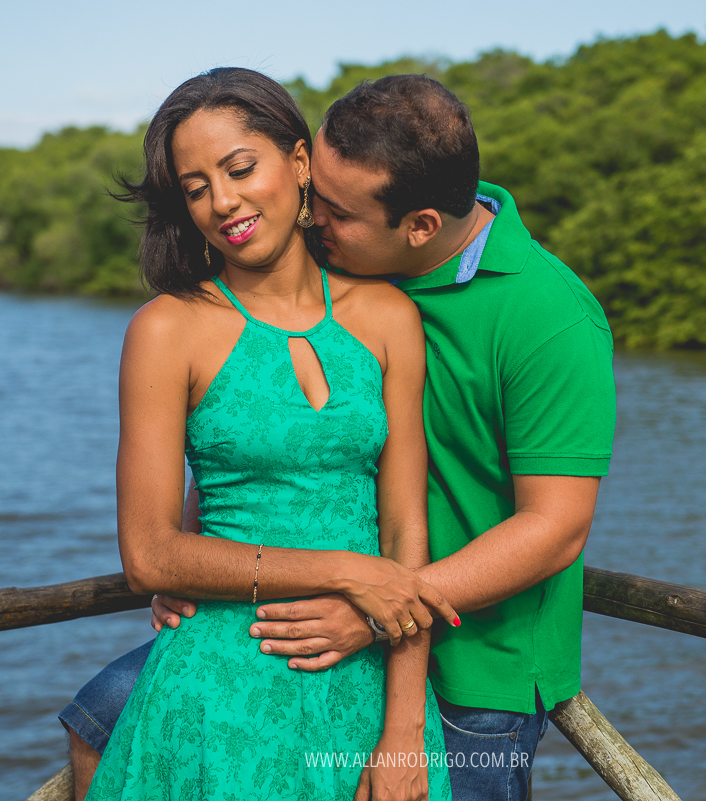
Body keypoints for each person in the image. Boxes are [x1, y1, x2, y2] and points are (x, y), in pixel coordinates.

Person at [61, 73, 617, 801]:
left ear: (418, 226)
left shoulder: (546, 316)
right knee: (100, 715)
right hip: (286, 624)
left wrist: (376, 599)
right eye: (197, 186)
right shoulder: (336, 271)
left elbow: (555, 527)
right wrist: (192, 560)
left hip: (476, 662)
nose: (317, 220)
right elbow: (254, 437)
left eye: (334, 209)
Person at [78, 67, 456, 801]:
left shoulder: (388, 317)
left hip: (368, 679)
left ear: (301, 162)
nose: (222, 201)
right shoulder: (166, 329)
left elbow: (407, 528)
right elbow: (149, 553)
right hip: (219, 687)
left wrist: (405, 725)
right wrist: (343, 571)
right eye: (195, 187)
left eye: (239, 168)